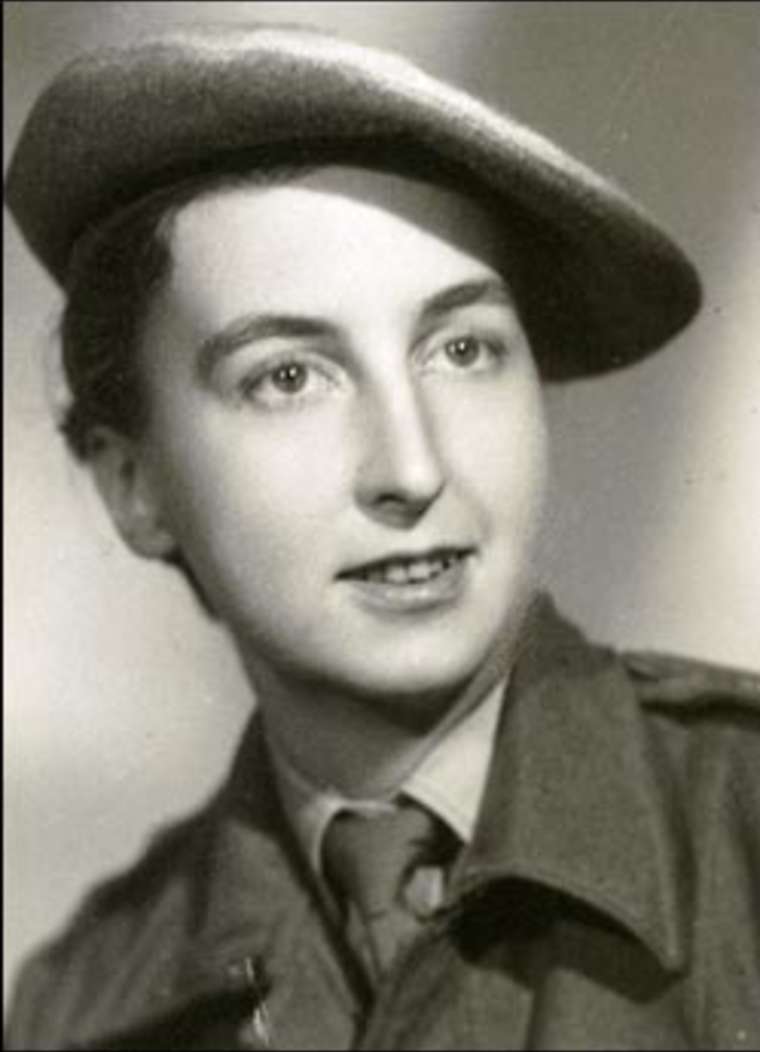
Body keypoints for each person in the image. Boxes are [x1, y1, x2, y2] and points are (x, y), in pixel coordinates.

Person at [4, 22, 759, 1052]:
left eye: (464, 349)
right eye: (287, 377)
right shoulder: (85, 1006)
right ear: (133, 485)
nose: (411, 467)